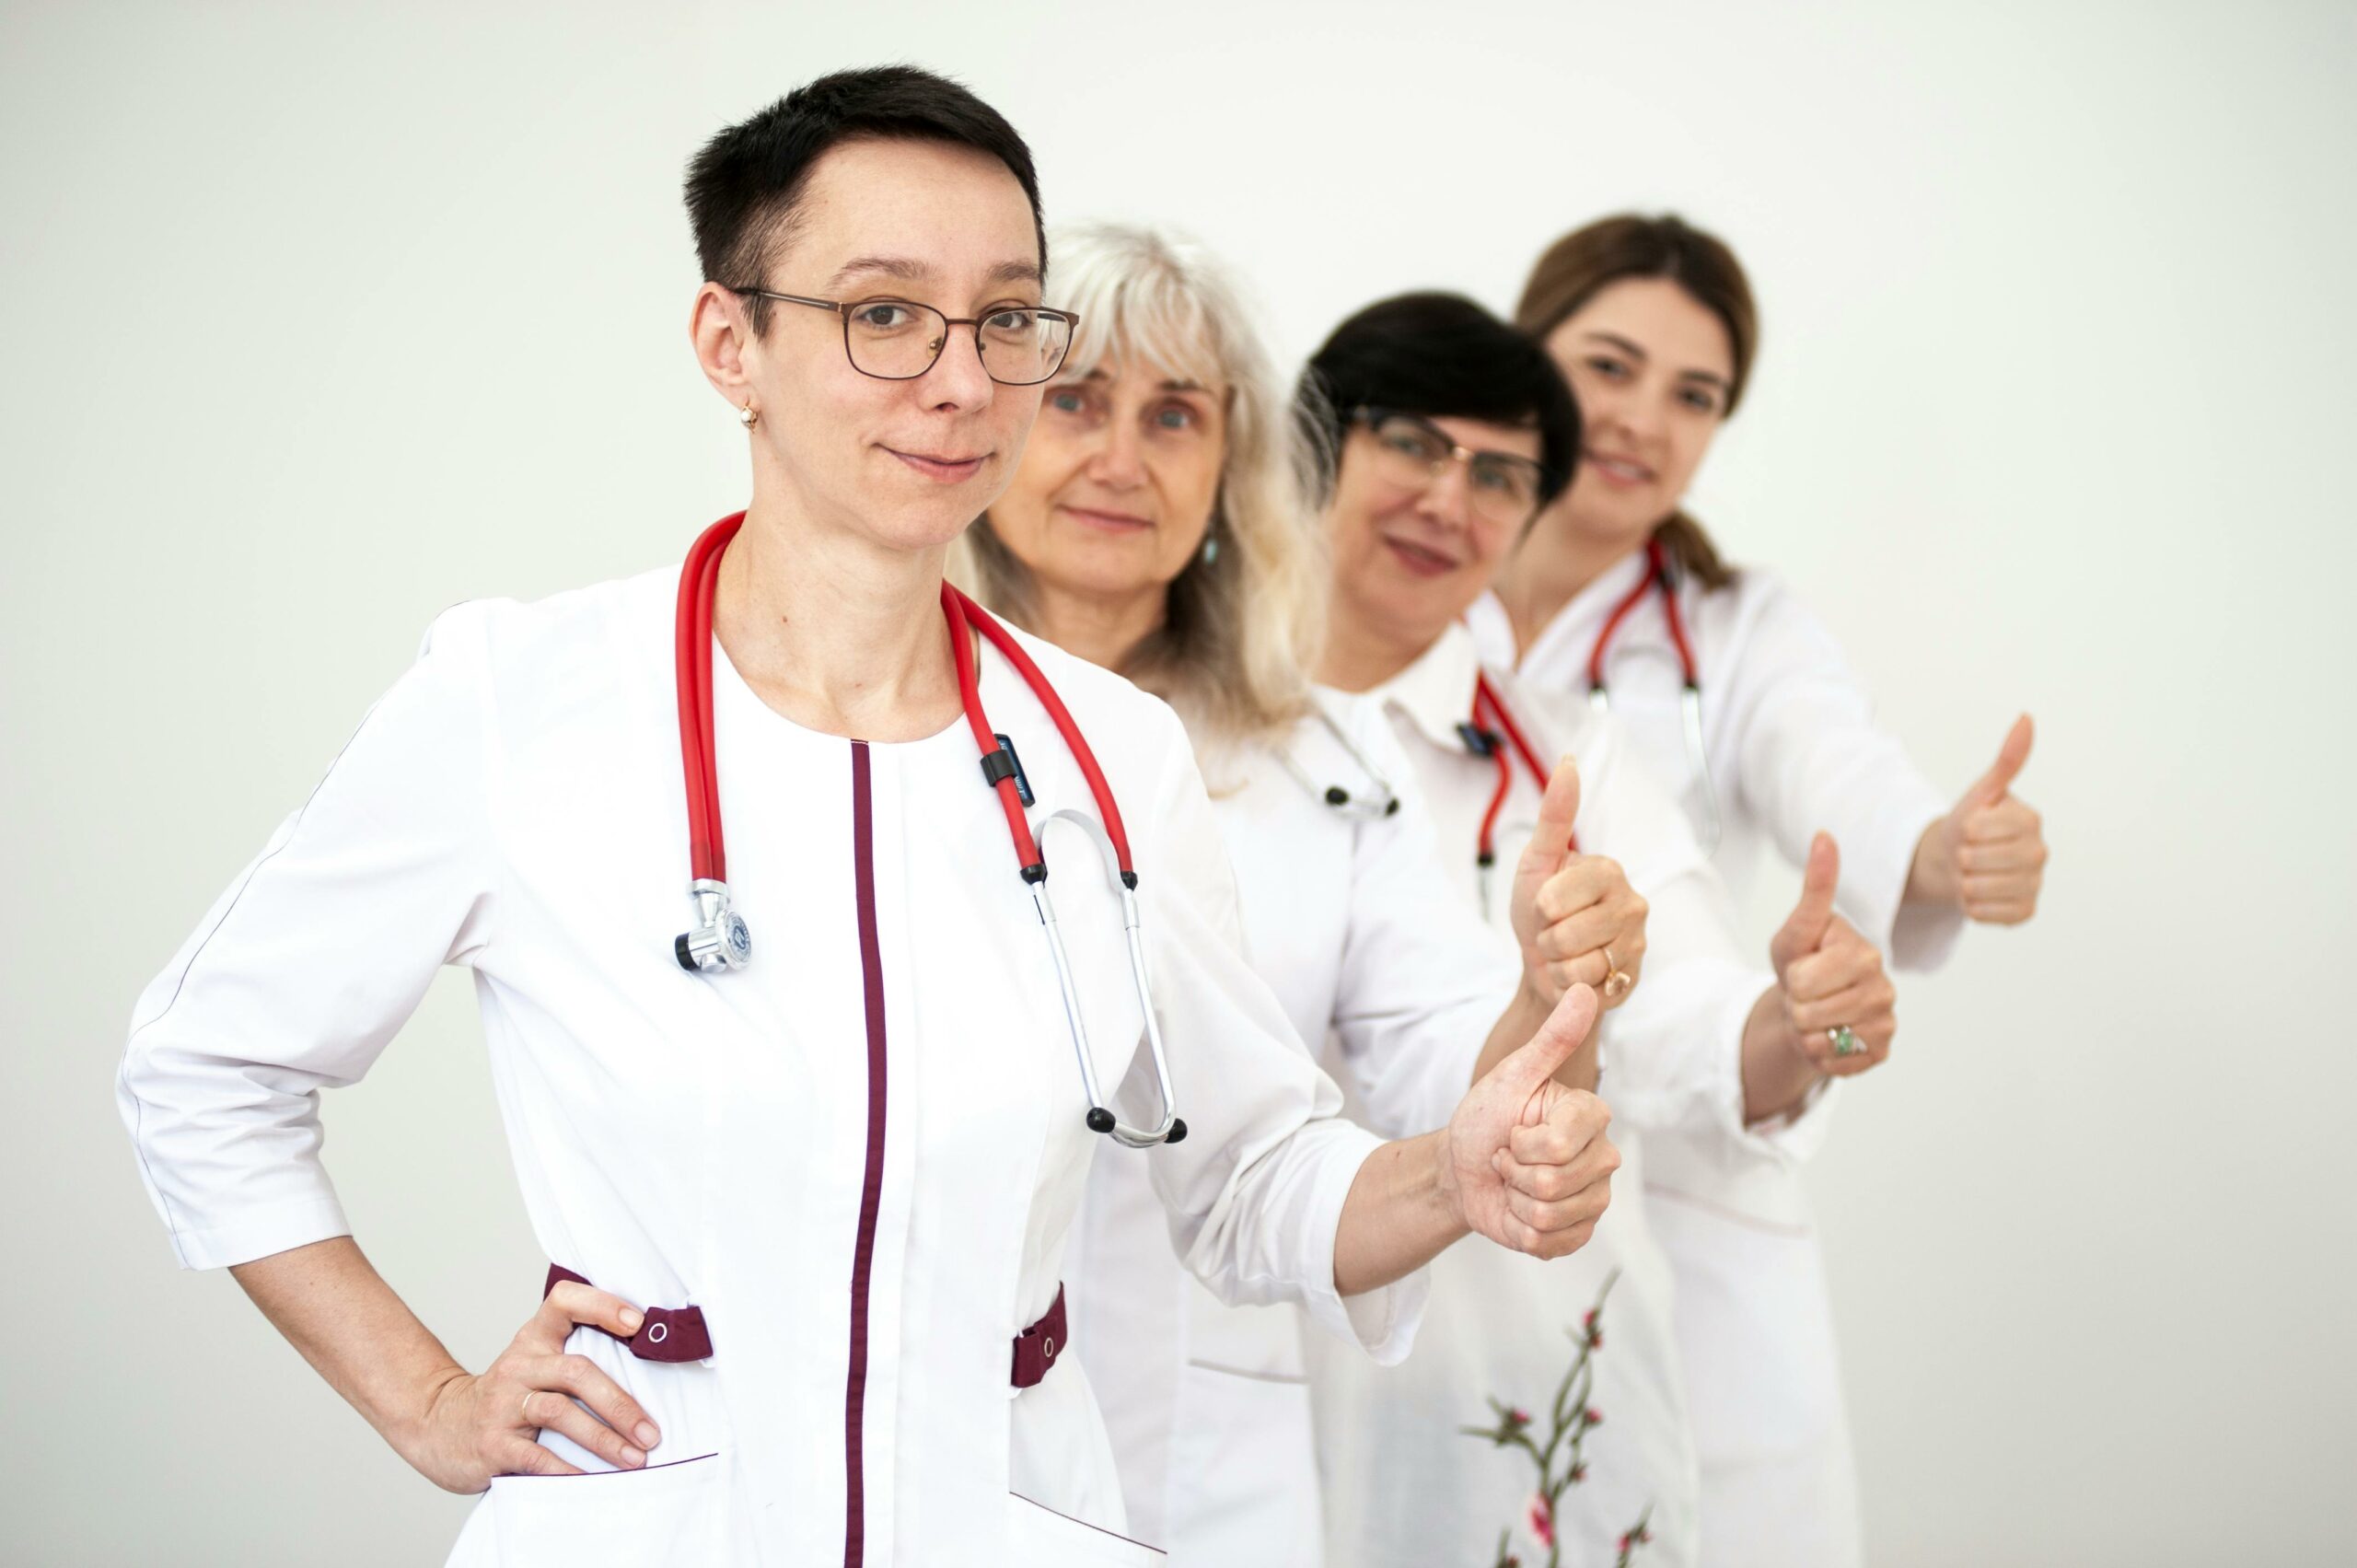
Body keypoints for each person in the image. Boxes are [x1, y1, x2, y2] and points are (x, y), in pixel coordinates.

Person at [113, 71, 1620, 1568]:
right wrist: (429, 1401)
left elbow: (1247, 1179)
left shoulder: (1111, 757)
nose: (961, 381)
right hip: (658, 1524)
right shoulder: (524, 700)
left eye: (1008, 319)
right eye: (884, 314)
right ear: (732, 342)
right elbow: (203, 1069)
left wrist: (1452, 1173)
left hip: (1012, 1520)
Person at [955, 225, 1645, 1563]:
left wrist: (1553, 989)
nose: (1119, 459)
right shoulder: (864, 720)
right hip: (905, 1423)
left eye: (1173, 416)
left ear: (1230, 470)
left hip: (1207, 1452)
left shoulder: (1325, 763)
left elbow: (1461, 1085)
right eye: (1078, 401)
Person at [1480, 215, 2051, 1565]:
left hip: (1689, 1161)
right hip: (1460, 1157)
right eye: (1608, 365)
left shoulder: (1731, 628)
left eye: (1697, 395)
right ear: (1524, 349)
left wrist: (1938, 852)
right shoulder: (1395, 585)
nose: (1642, 421)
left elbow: (1834, 763)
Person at [1306, 292, 1898, 1567]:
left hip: (1510, 1366)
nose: (1450, 501)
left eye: (1502, 475)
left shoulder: (1571, 759)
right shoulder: (1160, 723)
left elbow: (1684, 1016)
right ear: (1317, 445)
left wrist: (1792, 1027)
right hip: (1250, 1337)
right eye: (1412, 442)